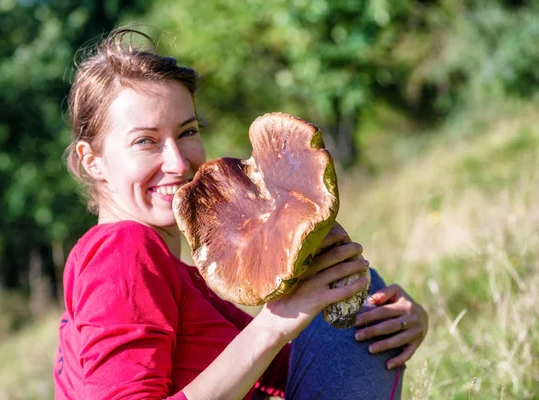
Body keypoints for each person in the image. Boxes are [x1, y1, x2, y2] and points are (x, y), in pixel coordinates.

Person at [53, 28, 428, 400]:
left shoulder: (177, 275)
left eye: (187, 132)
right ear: (93, 161)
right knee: (352, 284)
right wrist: (273, 324)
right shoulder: (123, 250)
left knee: (348, 283)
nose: (178, 162)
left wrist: (396, 321)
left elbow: (280, 372)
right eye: (145, 141)